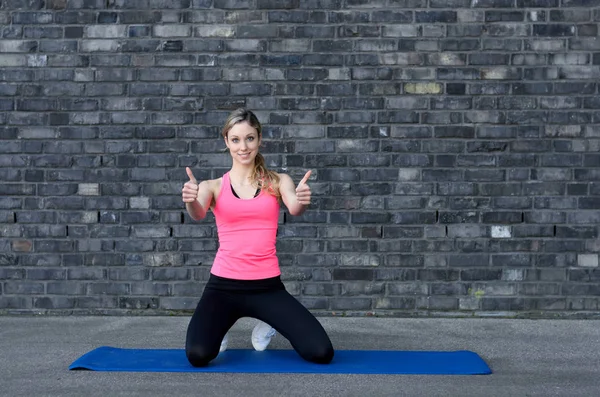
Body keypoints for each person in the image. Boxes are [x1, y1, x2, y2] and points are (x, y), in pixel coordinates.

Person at [181, 108, 334, 367]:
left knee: (321, 352)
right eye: (236, 140)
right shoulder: (212, 186)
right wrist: (189, 200)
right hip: (223, 287)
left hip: (267, 288)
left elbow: (295, 208)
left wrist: (303, 200)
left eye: (250, 138)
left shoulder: (276, 181)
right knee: (198, 355)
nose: (243, 147)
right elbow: (197, 213)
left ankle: (266, 321)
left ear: (259, 139)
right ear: (226, 142)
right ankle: (221, 324)